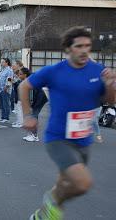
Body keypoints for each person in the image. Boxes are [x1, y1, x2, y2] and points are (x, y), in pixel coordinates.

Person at [19, 27, 116, 220]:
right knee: (82, 183)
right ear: (68, 49)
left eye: (87, 46)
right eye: (79, 46)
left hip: (83, 139)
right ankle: (51, 203)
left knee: (65, 183)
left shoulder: (98, 71)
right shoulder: (54, 71)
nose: (84, 50)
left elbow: (110, 101)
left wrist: (110, 85)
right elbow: (24, 86)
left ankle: (43, 215)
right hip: (58, 139)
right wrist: (28, 116)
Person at [18, 67, 48, 142]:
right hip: (38, 98)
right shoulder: (28, 79)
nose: (19, 76)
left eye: (20, 74)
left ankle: (35, 136)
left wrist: (30, 106)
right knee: (32, 115)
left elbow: (31, 96)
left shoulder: (29, 81)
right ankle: (31, 134)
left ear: (25, 75)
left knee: (34, 115)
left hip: (40, 99)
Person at [0, 58, 13, 123]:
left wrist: (6, 87)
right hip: (0, 89)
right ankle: (3, 117)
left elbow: (9, 80)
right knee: (2, 104)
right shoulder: (3, 70)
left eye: (3, 62)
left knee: (6, 104)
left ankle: (6, 117)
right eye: (1, 62)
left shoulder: (9, 70)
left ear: (6, 63)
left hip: (5, 89)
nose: (1, 63)